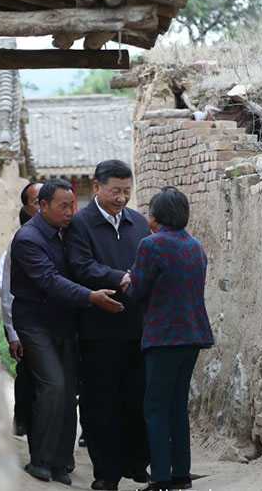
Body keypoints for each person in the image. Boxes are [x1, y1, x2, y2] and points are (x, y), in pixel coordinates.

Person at [10, 179, 125, 486]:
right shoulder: (28, 239)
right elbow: (49, 280)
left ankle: (62, 463)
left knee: (69, 390)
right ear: (42, 206)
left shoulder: (67, 233)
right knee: (53, 385)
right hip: (35, 323)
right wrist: (91, 297)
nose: (69, 212)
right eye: (62, 206)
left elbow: (80, 267)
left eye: (72, 205)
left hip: (64, 323)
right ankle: (41, 461)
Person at [65, 160, 151, 491]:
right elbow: (81, 266)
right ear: (97, 187)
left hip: (137, 328)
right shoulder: (81, 225)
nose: (121, 198)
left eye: (127, 191)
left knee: (136, 398)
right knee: (101, 402)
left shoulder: (138, 223)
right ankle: (106, 472)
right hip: (98, 332)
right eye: (115, 191)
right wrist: (121, 277)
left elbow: (147, 262)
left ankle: (135, 462)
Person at [125, 187, 215, 491]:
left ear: (157, 216)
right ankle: (181, 474)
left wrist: (128, 279)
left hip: (164, 337)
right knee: (177, 406)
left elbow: (136, 291)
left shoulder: (152, 245)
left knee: (155, 408)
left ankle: (161, 478)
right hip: (193, 335)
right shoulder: (195, 246)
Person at [0, 181, 43, 436]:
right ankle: (24, 419)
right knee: (28, 373)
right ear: (28, 209)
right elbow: (5, 287)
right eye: (39, 200)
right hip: (27, 323)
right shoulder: (21, 242)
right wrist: (12, 331)